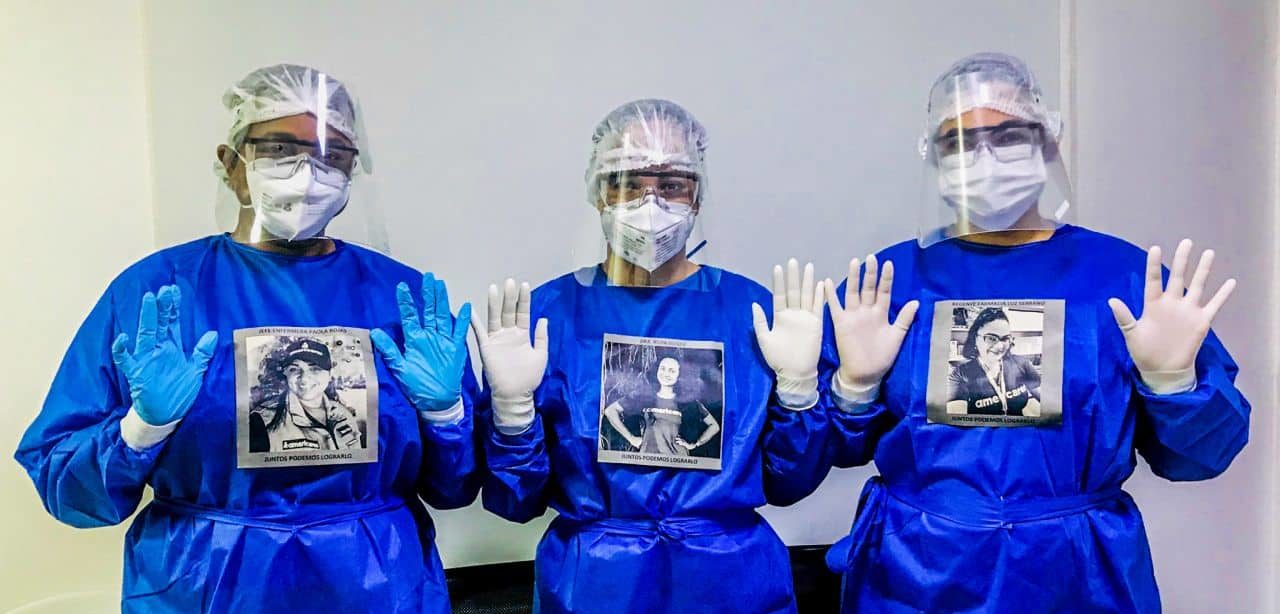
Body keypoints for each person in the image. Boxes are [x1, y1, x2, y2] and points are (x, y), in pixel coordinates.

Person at [14, 64, 478, 613]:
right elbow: (68, 488)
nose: (308, 174)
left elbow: (456, 488)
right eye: (280, 147)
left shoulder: (400, 298)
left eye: (333, 156)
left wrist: (448, 417)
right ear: (231, 164)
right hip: (205, 587)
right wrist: (141, 429)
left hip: (376, 587)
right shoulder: (159, 295)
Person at [816, 52, 1250, 612]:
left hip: (1076, 576)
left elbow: (1202, 457)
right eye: (959, 141)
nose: (985, 157)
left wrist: (1174, 385)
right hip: (918, 574)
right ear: (933, 156)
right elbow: (825, 451)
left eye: (1010, 135)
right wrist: (852, 388)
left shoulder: (1124, 280)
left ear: (1049, 139)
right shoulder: (889, 284)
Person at [471, 99, 831, 613]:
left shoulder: (756, 316)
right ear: (598, 194)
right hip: (597, 584)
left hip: (730, 582)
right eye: (628, 183)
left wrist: (799, 394)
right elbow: (515, 500)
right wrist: (511, 414)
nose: (650, 202)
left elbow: (790, 482)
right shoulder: (548, 317)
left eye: (671, 184)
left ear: (698, 196)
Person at [249, 337, 364, 452]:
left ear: (330, 375)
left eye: (315, 369)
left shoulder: (343, 414)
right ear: (285, 374)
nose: (304, 378)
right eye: (294, 369)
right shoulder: (261, 422)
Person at [602, 356, 721, 455]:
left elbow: (714, 426)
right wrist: (631, 438)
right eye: (663, 368)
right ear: (657, 371)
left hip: (678, 460)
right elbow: (611, 411)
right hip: (648, 458)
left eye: (672, 370)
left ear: (679, 375)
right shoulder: (643, 396)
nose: (666, 374)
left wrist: (695, 444)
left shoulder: (689, 402)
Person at [945, 307, 1042, 416]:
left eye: (1005, 338)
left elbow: (1048, 403)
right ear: (975, 338)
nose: (1000, 346)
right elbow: (956, 418)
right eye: (991, 338)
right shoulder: (960, 374)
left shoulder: (1022, 364)